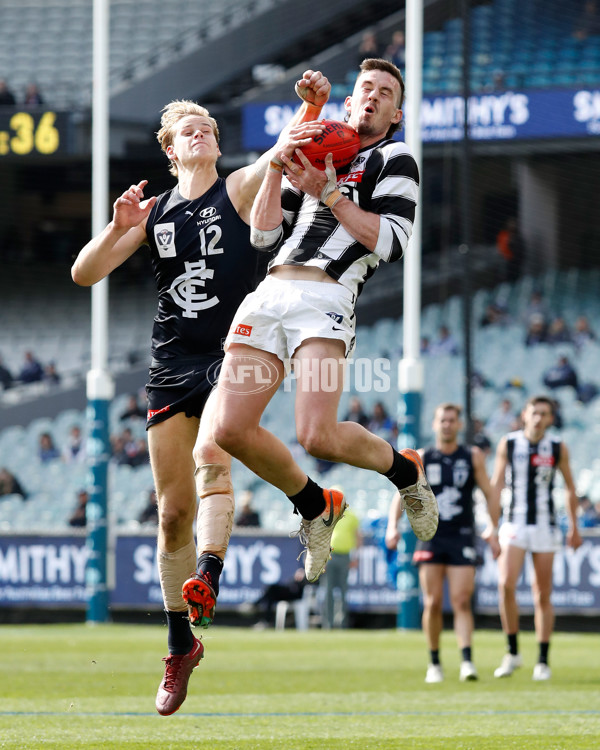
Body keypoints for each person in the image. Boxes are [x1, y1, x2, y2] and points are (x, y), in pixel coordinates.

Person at [71, 69, 332, 717]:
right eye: (190, 130)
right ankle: (180, 645)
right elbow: (85, 272)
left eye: (209, 128)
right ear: (169, 147)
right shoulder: (152, 211)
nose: (202, 134)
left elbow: (283, 146)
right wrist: (116, 227)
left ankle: (211, 575)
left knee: (214, 458)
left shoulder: (240, 188)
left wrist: (310, 107)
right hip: (170, 364)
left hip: (234, 352)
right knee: (170, 515)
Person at [212, 58, 439, 591]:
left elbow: (390, 242)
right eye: (365, 88)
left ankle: (405, 472)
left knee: (317, 435)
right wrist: (279, 162)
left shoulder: (395, 158)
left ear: (396, 112)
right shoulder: (315, 146)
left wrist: (329, 192)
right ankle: (315, 504)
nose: (373, 96)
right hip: (268, 294)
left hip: (326, 298)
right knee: (227, 430)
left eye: (385, 92)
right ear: (348, 101)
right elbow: (264, 237)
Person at [386, 403, 500, 683]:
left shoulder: (472, 456)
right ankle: (434, 663)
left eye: (452, 420)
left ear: (460, 425)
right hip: (430, 536)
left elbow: (489, 492)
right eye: (443, 420)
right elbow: (400, 493)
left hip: (462, 534)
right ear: (435, 425)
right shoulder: (423, 457)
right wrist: (393, 527)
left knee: (462, 601)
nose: (447, 424)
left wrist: (493, 527)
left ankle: (466, 661)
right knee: (433, 602)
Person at [490, 396, 582, 681]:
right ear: (525, 415)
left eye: (544, 414)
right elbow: (496, 485)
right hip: (514, 523)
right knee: (506, 585)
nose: (539, 418)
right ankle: (513, 651)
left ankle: (542, 659)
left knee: (542, 594)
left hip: (545, 525)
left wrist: (574, 526)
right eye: (535, 413)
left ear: (550, 419)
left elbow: (569, 487)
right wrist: (491, 527)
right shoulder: (509, 443)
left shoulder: (557, 447)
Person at [321, 504, 361, 629]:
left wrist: (356, 557)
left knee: (343, 591)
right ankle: (328, 624)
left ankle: (343, 624)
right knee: (328, 590)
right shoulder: (325, 515)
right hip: (330, 555)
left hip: (344, 556)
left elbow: (358, 536)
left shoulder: (352, 516)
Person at [495, 217, 523, 283]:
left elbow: (520, 250)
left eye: (514, 224)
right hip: (506, 261)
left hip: (515, 263)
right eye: (511, 223)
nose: (512, 225)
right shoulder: (503, 235)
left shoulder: (517, 236)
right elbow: (501, 248)